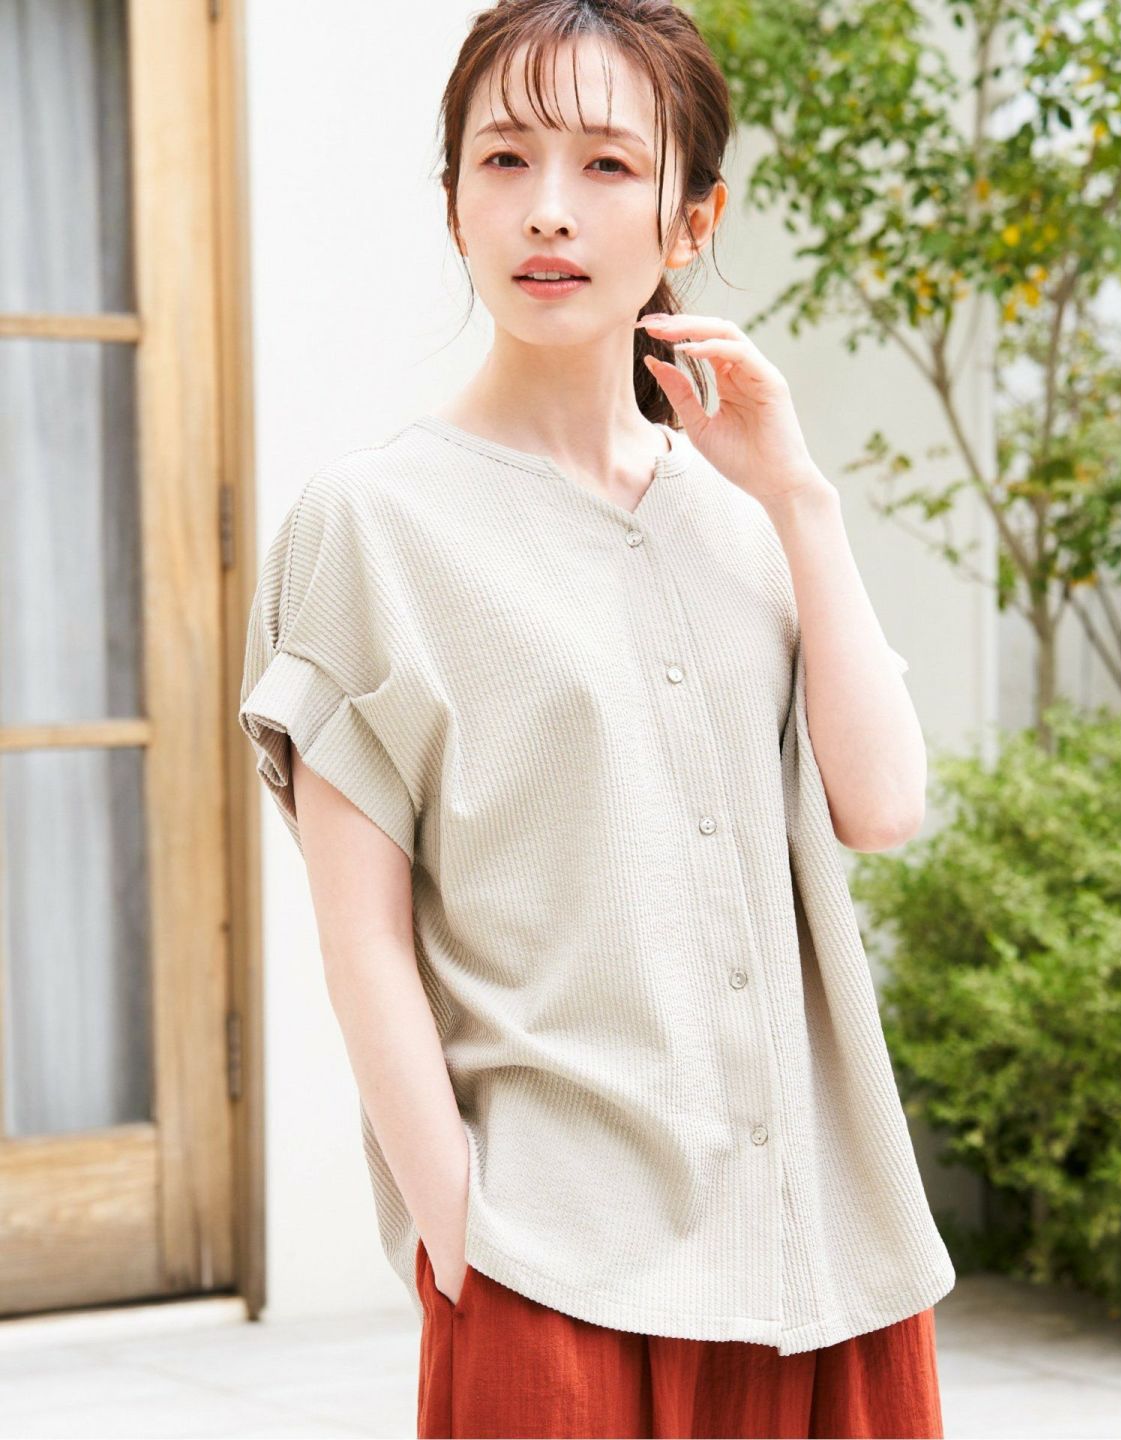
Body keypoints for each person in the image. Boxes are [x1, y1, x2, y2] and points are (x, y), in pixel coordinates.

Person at [238, 2, 955, 1435]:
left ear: (694, 219)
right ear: (451, 202)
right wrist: (460, 1234)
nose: (548, 210)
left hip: (819, 1261)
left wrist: (801, 496)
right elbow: (361, 938)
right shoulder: (369, 527)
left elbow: (882, 809)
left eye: (608, 165)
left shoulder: (750, 513)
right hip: (556, 1272)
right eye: (504, 159)